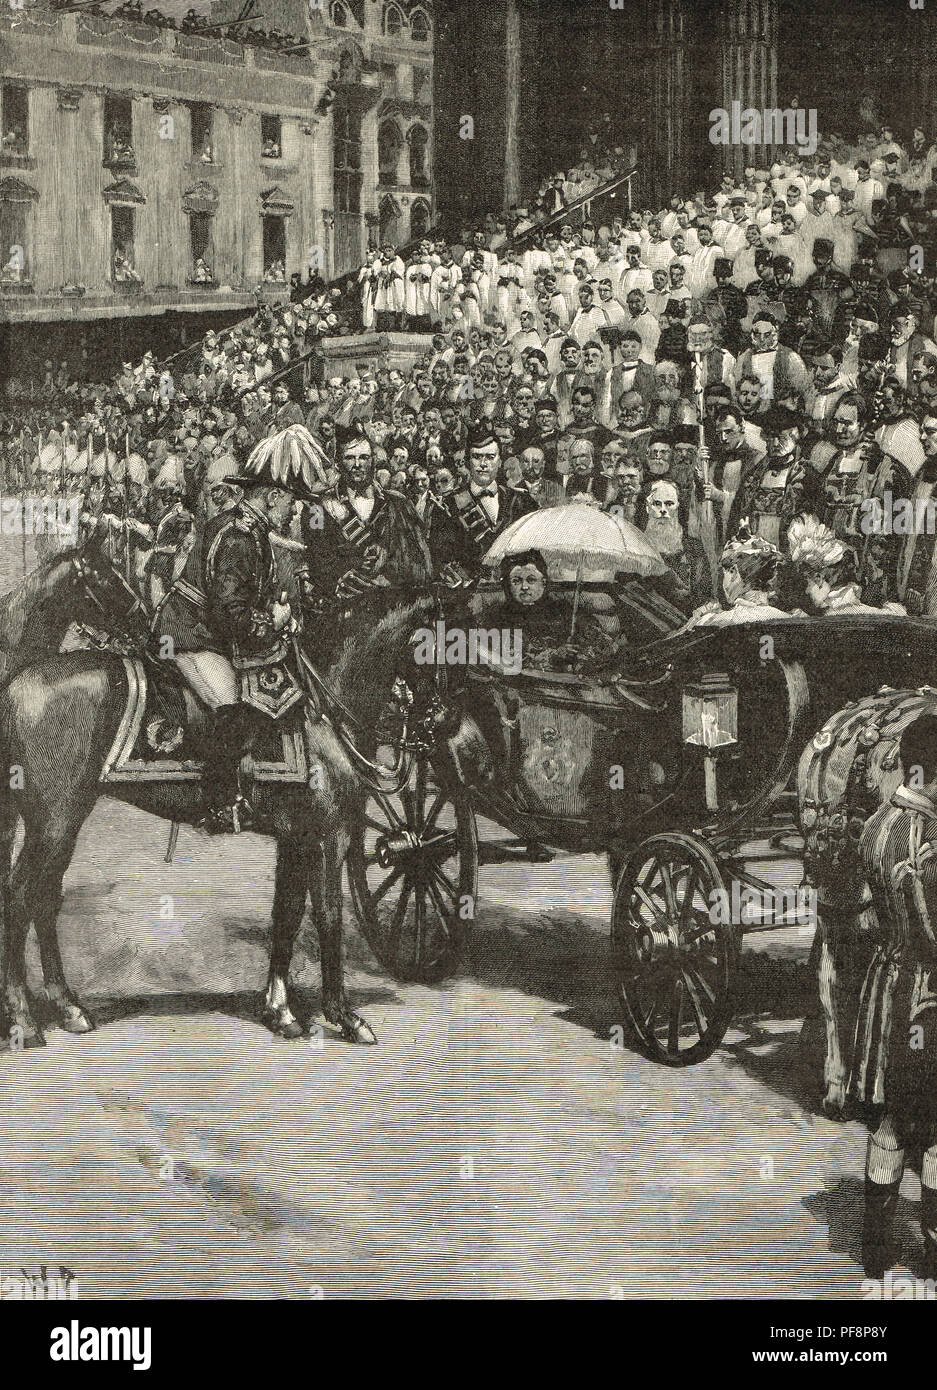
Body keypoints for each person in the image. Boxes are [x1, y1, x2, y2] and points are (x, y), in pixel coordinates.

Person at [151, 431, 318, 833]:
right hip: (187, 634)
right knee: (232, 703)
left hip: (210, 632)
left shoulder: (251, 527)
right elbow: (231, 613)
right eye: (291, 500)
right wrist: (273, 622)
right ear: (274, 495)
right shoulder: (242, 535)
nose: (294, 510)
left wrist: (280, 617)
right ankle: (220, 802)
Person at [853, 712, 937, 1280]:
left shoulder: (876, 825)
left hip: (884, 987)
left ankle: (876, 1250)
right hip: (926, 995)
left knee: (888, 1118)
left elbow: (863, 917)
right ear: (922, 772)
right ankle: (933, 1258)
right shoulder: (927, 838)